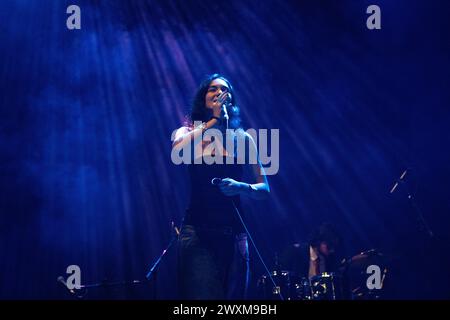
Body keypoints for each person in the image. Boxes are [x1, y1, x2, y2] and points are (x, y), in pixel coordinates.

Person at [171, 74, 270, 299]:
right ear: (203, 97)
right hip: (198, 233)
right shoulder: (187, 132)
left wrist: (242, 187)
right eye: (212, 89)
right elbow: (177, 153)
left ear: (231, 100)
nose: (218, 93)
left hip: (235, 235)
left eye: (224, 90)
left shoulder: (243, 138)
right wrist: (214, 121)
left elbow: (264, 189)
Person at [278, 223, 343, 280]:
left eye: (334, 246)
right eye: (329, 245)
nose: (332, 250)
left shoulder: (329, 260)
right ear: (319, 241)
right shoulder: (295, 252)